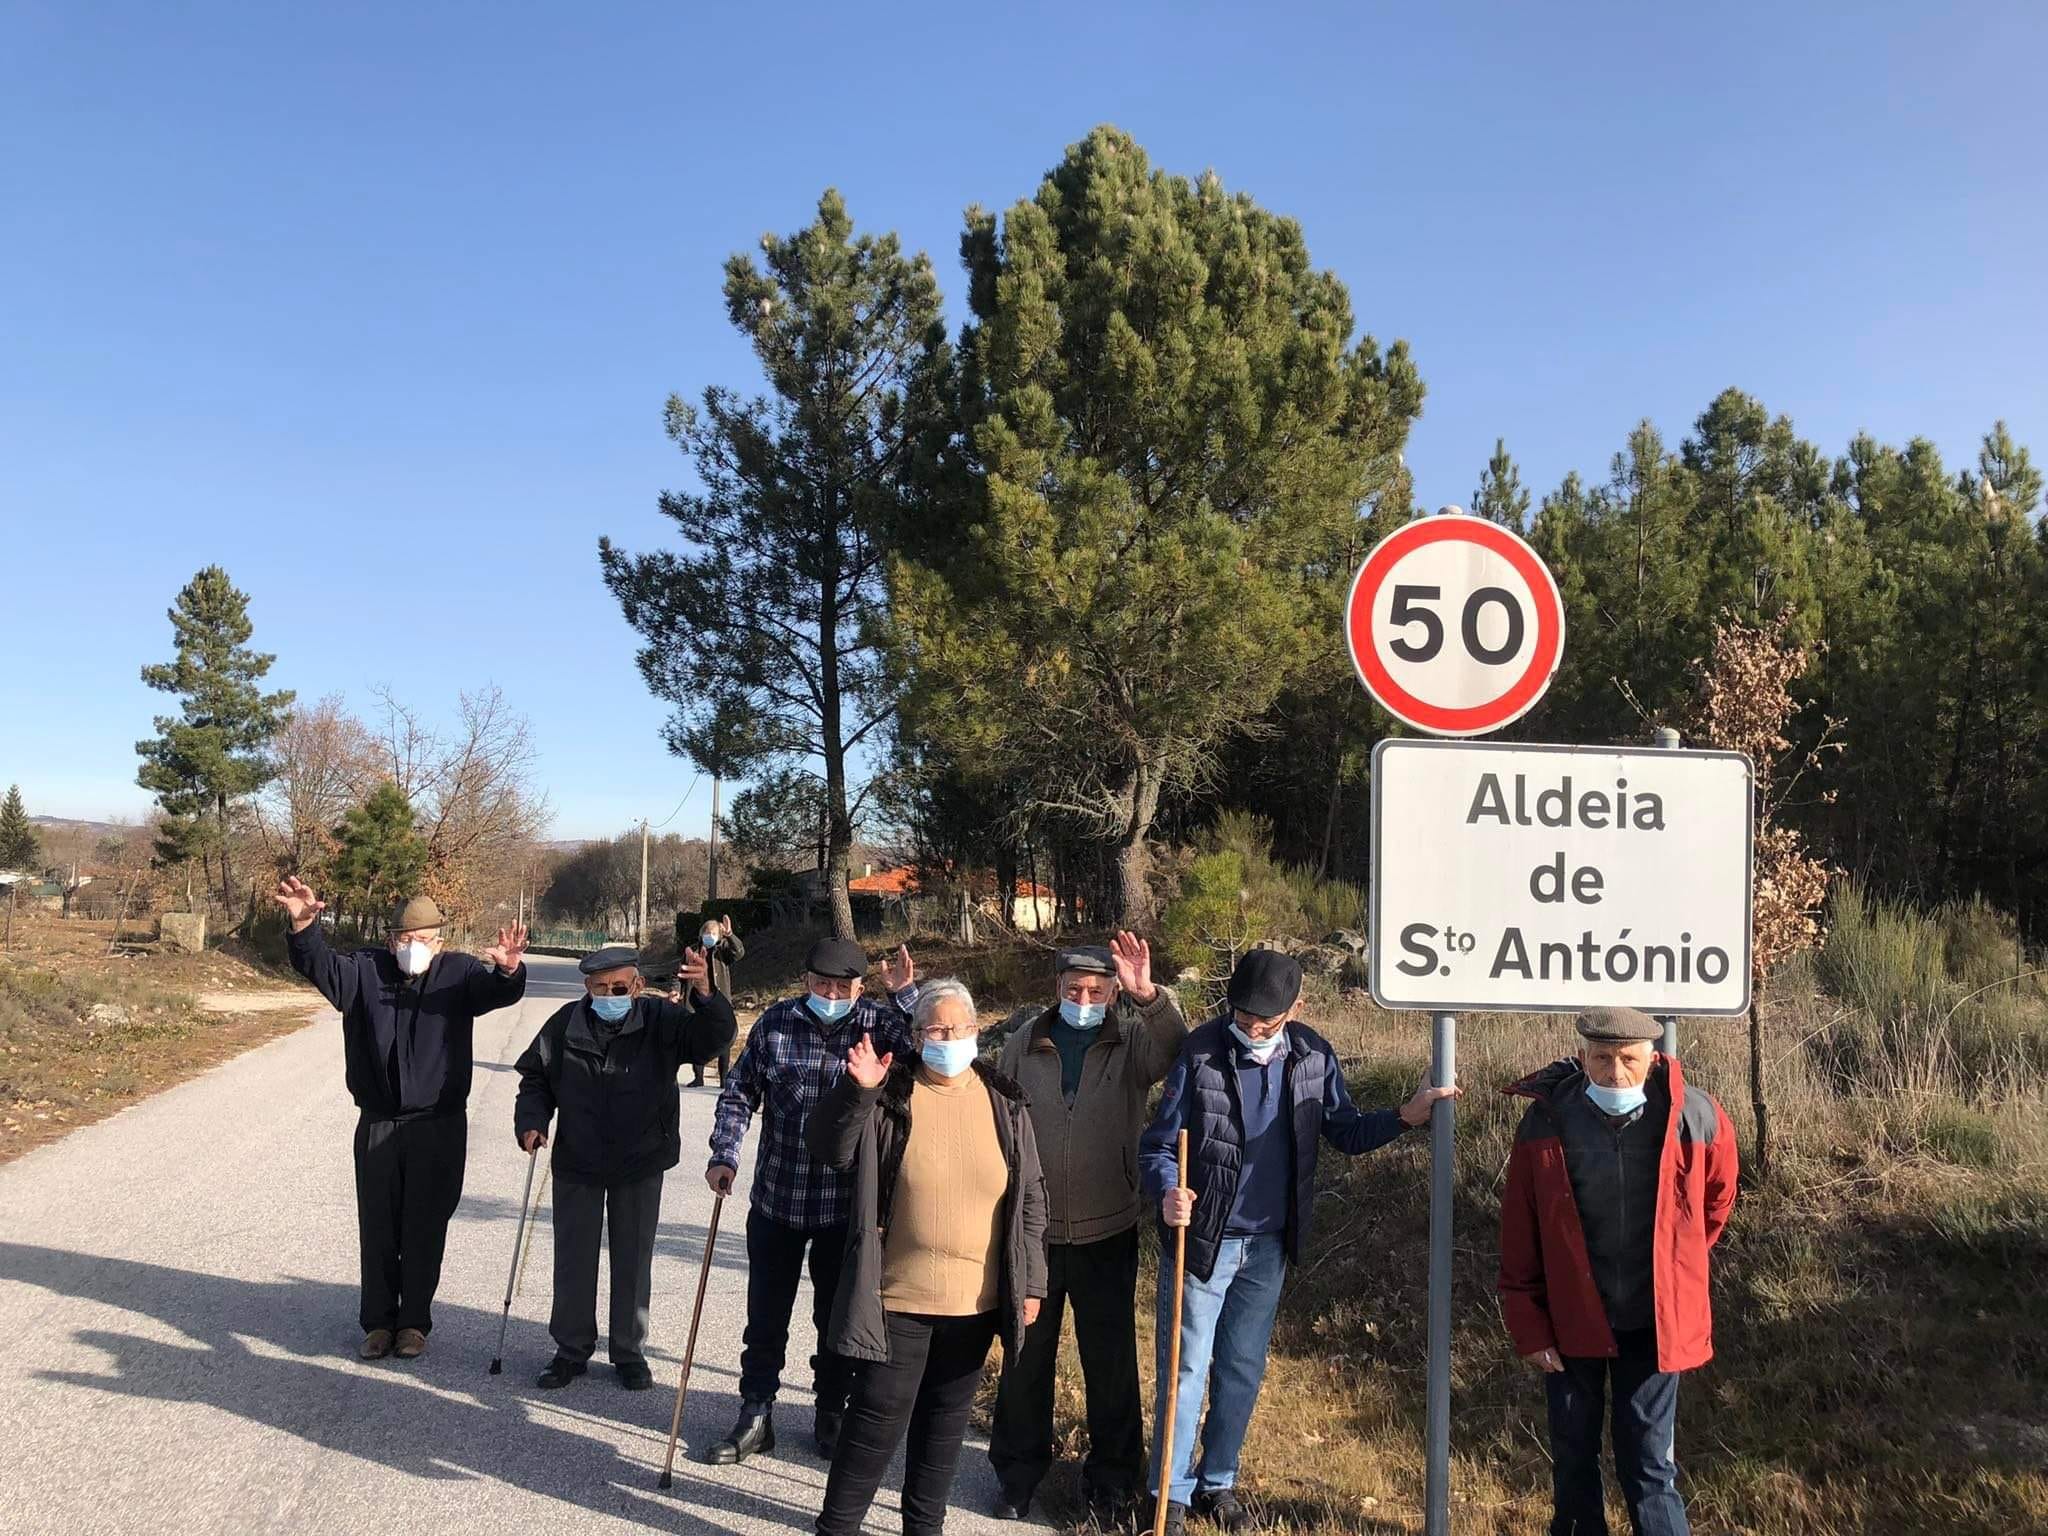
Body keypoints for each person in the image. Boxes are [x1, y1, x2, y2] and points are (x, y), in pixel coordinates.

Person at [1143, 949, 1457, 1534]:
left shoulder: (1314, 1055)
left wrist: (1405, 1116)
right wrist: (1168, 1191)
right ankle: (1171, 1494)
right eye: (1242, 1016)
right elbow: (1160, 1145)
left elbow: (1344, 1130)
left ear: (1297, 1009)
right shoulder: (1202, 1051)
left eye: (1265, 1019)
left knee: (1242, 1368)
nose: (1251, 1028)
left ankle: (1219, 1483)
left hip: (1269, 1247)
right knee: (1186, 1369)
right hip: (1202, 1242)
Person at [806, 980, 1049, 1536]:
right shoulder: (891, 1095)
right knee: (874, 1421)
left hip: (976, 1302)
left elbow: (1031, 1197)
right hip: (898, 1297)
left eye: (958, 1028)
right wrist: (858, 1092)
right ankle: (836, 1527)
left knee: (944, 1427)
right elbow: (829, 1148)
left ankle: (924, 1527)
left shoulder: (1005, 1103)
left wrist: (1030, 1282)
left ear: (976, 1031)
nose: (947, 1038)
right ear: (916, 1036)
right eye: (935, 1029)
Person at [1498, 1007, 1738, 1536]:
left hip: (1654, 1326)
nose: (1615, 1073)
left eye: (1628, 1059)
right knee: (1573, 1459)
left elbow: (1716, 1203)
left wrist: (1679, 1266)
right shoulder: (1546, 1119)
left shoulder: (1695, 1115)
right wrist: (1530, 1326)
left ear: (1652, 1058)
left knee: (1651, 1464)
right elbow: (1521, 1232)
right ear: (1583, 1057)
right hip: (1571, 1322)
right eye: (1602, 1059)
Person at [273, 877, 527, 1362]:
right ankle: (377, 1323)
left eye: (425, 940)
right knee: (379, 1224)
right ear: (391, 940)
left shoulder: (457, 973)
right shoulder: (365, 970)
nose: (414, 948)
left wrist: (510, 970)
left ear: (441, 941)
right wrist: (305, 924)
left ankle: (413, 1323)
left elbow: (497, 991)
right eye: (406, 940)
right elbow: (317, 965)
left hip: (439, 1124)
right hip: (379, 1121)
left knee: (426, 1224)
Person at [988, 933, 1187, 1524]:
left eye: (1097, 990)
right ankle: (1018, 1476)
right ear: (1057, 988)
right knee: (1026, 1360)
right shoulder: (1025, 1042)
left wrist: (1149, 995)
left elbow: (1180, 1052)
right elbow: (998, 1119)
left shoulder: (1130, 1041)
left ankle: (1113, 1479)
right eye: (1074, 989)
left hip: (1108, 1229)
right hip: (1035, 1234)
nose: (1084, 998)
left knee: (1110, 1362)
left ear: (1111, 993)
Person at [705, 936, 919, 1464]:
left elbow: (930, 1049)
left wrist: (907, 995)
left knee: (836, 1317)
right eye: (821, 983)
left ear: (859, 987)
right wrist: (724, 1153)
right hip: (779, 1197)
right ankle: (756, 1414)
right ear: (806, 981)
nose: (830, 993)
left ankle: (831, 1414)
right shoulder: (776, 1025)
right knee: (765, 1315)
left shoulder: (877, 1023)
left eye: (841, 986)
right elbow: (738, 1093)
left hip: (843, 1207)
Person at [512, 942, 737, 1391]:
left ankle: (629, 1352)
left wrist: (709, 998)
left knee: (634, 1257)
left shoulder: (662, 1021)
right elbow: (534, 1078)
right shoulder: (563, 1025)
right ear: (587, 988)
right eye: (601, 987)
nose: (610, 994)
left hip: (640, 1158)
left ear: (637, 985)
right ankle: (571, 1349)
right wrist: (533, 1121)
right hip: (579, 1159)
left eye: (619, 986)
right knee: (573, 1258)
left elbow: (714, 1040)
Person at [691, 914, 746, 1088]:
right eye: (706, 933)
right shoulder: (693, 951)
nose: (709, 937)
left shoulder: (722, 952)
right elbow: (679, 974)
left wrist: (730, 934)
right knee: (698, 1037)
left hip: (720, 1001)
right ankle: (698, 1076)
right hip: (699, 1001)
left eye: (713, 934)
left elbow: (739, 953)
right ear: (701, 934)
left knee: (724, 1040)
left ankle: (723, 1078)